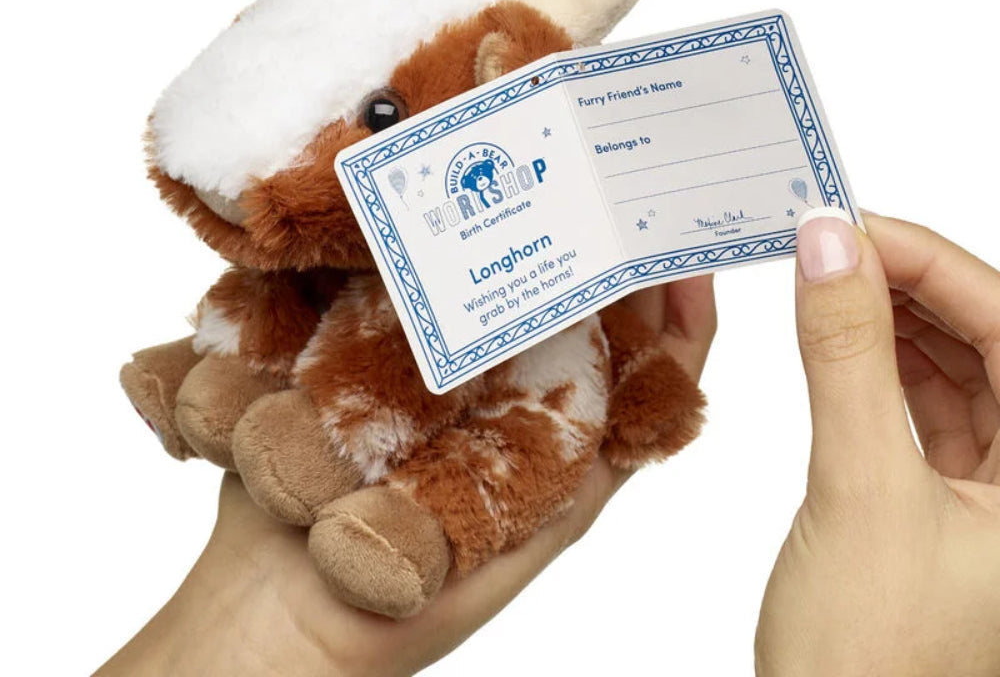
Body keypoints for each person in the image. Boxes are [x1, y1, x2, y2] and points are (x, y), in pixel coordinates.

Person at [96, 212, 1000, 676]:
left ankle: (414, 530)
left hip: (536, 395)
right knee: (326, 321)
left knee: (511, 451)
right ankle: (241, 380)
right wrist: (272, 635)